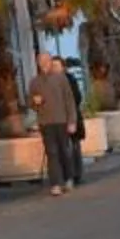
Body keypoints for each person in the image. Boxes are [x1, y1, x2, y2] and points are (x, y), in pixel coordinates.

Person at [32, 53, 81, 195]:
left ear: (50, 62)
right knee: (52, 153)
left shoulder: (61, 79)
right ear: (38, 63)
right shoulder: (34, 82)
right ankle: (56, 183)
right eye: (41, 61)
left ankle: (68, 178)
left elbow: (69, 100)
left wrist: (72, 121)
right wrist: (34, 102)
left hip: (62, 121)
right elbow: (30, 102)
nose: (44, 64)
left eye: (46, 61)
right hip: (45, 122)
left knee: (64, 151)